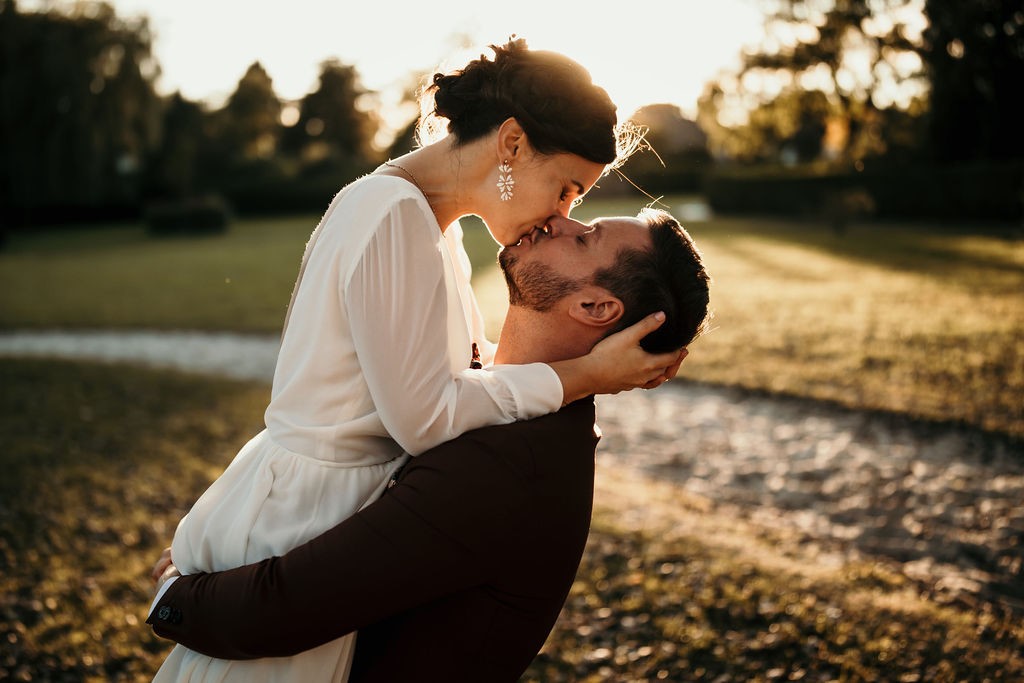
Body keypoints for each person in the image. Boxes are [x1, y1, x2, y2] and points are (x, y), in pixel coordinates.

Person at [150, 38, 688, 681]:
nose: (561, 214)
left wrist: (605, 360)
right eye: (567, 188)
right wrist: (580, 377)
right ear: (512, 144)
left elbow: (444, 372)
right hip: (301, 517)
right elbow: (425, 419)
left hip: (336, 513)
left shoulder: (431, 226)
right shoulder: (390, 215)